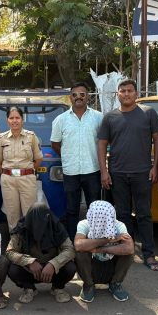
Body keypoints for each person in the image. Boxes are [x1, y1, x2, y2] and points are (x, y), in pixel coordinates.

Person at [97, 79, 158, 270]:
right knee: (123, 214)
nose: (126, 94)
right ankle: (128, 250)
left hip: (143, 173)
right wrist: (104, 171)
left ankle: (149, 254)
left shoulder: (148, 113)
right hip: (117, 173)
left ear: (136, 93)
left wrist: (155, 167)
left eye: (130, 90)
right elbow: (101, 144)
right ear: (117, 94)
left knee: (144, 214)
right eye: (123, 91)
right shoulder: (110, 117)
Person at [51, 81, 104, 239]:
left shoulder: (98, 117)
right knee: (71, 210)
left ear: (88, 97)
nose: (78, 97)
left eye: (82, 94)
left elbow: (104, 142)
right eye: (74, 95)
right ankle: (73, 242)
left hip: (92, 170)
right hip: (71, 172)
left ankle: (94, 240)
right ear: (70, 98)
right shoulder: (60, 119)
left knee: (94, 209)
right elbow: (55, 144)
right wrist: (68, 156)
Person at [6, 202, 76, 304]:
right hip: (30, 271)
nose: (37, 226)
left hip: (53, 270)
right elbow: (9, 252)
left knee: (70, 267)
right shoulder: (22, 228)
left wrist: (53, 264)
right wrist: (29, 262)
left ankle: (57, 288)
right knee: (13, 269)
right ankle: (29, 288)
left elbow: (70, 249)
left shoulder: (56, 226)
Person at [74, 201, 134, 303]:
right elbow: (78, 245)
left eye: (105, 217)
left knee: (128, 254)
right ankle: (88, 285)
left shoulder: (119, 225)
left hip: (111, 267)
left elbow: (130, 248)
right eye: (98, 217)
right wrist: (108, 240)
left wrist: (99, 249)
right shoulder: (84, 224)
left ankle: (115, 283)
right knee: (79, 252)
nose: (101, 220)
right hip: (91, 268)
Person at [0, 106, 43, 230]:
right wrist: (9, 173)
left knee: (29, 214)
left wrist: (26, 172)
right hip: (8, 181)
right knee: (12, 214)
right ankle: (15, 240)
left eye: (17, 118)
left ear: (22, 119)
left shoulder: (31, 137)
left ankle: (29, 240)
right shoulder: (2, 138)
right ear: (7, 120)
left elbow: (38, 159)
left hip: (27, 179)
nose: (14, 121)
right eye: (11, 118)